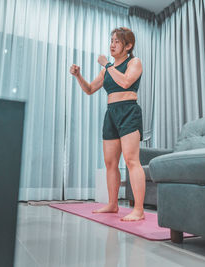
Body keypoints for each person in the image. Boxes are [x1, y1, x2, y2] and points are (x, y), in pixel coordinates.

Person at [70, 27, 145, 221]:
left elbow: (127, 82)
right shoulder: (106, 69)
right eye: (111, 40)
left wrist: (108, 66)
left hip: (129, 111)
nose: (112, 45)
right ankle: (112, 205)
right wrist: (78, 75)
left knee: (131, 160)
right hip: (111, 114)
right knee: (110, 162)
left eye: (117, 41)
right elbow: (89, 89)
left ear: (128, 46)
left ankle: (138, 210)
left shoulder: (134, 62)